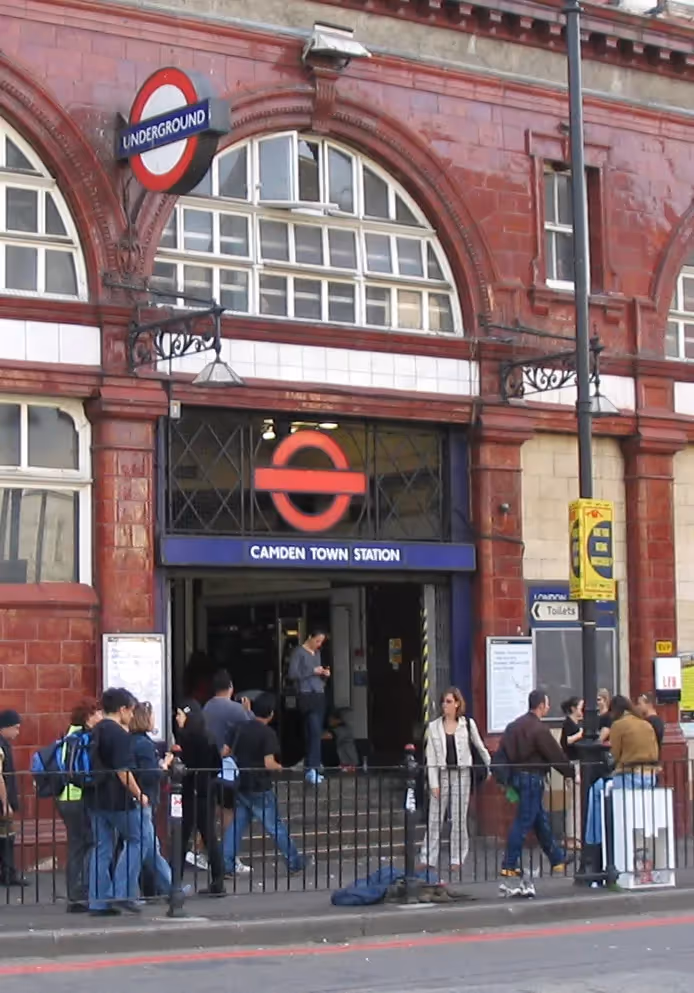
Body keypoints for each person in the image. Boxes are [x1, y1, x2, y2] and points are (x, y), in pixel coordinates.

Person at [223, 693, 304, 876]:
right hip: (259, 785)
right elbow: (269, 763)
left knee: (236, 826)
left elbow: (225, 751)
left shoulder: (239, 727)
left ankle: (225, 865)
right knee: (275, 826)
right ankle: (294, 862)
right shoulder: (268, 734)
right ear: (271, 714)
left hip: (240, 783)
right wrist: (282, 768)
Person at [500, 690, 574, 878]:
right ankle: (509, 864)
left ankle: (557, 859)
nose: (548, 707)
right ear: (541, 706)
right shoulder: (539, 729)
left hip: (517, 777)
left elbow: (503, 752)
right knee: (523, 822)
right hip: (533, 778)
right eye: (547, 704)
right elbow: (555, 754)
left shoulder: (513, 726)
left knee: (540, 821)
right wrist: (570, 773)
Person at [87, 688, 146, 917]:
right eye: (131, 711)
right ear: (122, 710)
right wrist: (139, 794)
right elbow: (123, 772)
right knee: (138, 839)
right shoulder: (119, 734)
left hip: (95, 796)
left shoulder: (95, 730)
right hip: (118, 799)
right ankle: (122, 893)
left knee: (101, 848)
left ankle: (98, 901)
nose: (132, 716)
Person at [419, 687, 490, 875]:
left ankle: (457, 858)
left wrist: (491, 766)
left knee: (458, 818)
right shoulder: (434, 727)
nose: (445, 705)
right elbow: (430, 758)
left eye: (449, 701)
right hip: (442, 774)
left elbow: (480, 747)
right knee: (435, 817)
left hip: (461, 774)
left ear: (457, 703)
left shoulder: (467, 724)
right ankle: (428, 857)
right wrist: (433, 783)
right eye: (444, 701)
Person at [585, 695, 660, 849]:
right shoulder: (646, 724)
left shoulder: (618, 725)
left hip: (630, 776)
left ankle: (595, 841)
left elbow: (615, 754)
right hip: (650, 777)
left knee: (597, 790)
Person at [203, 670, 252, 876]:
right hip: (229, 767)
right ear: (230, 687)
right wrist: (248, 711)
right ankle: (229, 856)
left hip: (209, 765)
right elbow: (252, 728)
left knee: (212, 810)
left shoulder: (206, 707)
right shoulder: (235, 709)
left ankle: (201, 851)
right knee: (229, 812)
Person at [56, 698, 103, 912]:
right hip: (79, 796)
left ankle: (75, 894)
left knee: (76, 846)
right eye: (97, 713)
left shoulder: (68, 735)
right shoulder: (84, 738)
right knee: (87, 843)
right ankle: (80, 894)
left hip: (65, 796)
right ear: (88, 717)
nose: (100, 716)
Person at [175, 700, 226, 896]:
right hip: (206, 790)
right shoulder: (209, 736)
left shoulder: (186, 738)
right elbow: (217, 765)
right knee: (209, 836)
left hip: (191, 791)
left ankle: (175, 882)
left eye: (180, 714)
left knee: (181, 837)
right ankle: (218, 881)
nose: (177, 718)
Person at [129, 702, 174, 898]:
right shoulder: (145, 744)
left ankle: (165, 888)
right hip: (144, 799)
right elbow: (150, 775)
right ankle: (171, 889)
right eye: (152, 715)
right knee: (147, 848)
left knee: (147, 848)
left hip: (135, 799)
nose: (155, 719)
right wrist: (164, 765)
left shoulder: (131, 741)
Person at [288, 629, 330, 785]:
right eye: (317, 641)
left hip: (319, 693)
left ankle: (312, 766)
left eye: (321, 642)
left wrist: (323, 674)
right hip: (306, 695)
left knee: (314, 731)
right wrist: (312, 671)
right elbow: (292, 674)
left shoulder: (317, 654)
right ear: (310, 637)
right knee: (313, 730)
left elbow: (316, 676)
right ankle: (312, 768)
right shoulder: (298, 652)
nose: (319, 644)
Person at [0, 709, 26, 887]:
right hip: (2, 801)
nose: (17, 732)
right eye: (15, 727)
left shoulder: (4, 745)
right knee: (6, 838)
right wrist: (5, 803)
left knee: (6, 837)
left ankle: (8, 873)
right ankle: (8, 874)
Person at [560, 697, 584, 850]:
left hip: (577, 764)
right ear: (573, 708)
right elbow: (566, 741)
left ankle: (575, 835)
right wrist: (580, 734)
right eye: (581, 707)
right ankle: (572, 836)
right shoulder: (568, 724)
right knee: (574, 803)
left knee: (576, 802)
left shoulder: (576, 724)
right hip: (573, 765)